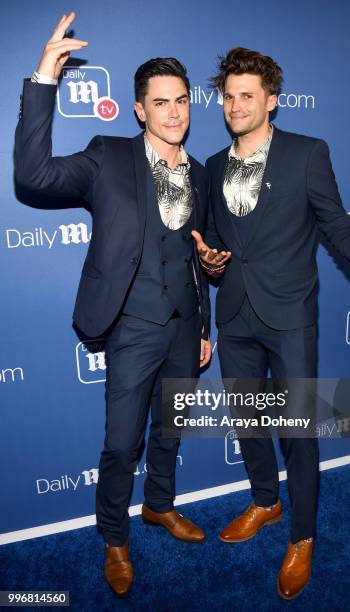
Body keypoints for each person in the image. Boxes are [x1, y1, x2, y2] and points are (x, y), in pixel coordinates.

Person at [192, 47, 350, 600]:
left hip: (289, 314)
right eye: (229, 96)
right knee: (248, 419)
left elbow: (335, 223)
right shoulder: (212, 166)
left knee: (299, 432)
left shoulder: (308, 153)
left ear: (272, 102)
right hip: (234, 312)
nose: (236, 105)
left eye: (248, 96)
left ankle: (302, 537)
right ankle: (266, 500)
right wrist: (211, 260)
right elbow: (213, 242)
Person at [14, 12, 212, 598]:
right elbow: (33, 173)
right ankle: (114, 538)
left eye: (181, 101)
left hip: (183, 328)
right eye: (161, 103)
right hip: (131, 327)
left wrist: (202, 326)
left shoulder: (199, 174)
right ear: (139, 110)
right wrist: (46, 73)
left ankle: (160, 506)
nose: (175, 112)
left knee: (171, 430)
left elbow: (194, 257)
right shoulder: (107, 156)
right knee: (122, 442)